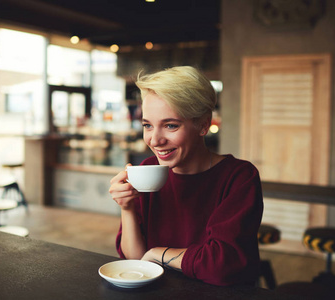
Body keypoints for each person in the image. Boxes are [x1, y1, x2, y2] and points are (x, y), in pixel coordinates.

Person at [109, 66, 263, 286]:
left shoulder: (239, 177)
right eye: (147, 125)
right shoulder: (146, 169)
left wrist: (158, 254)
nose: (154, 140)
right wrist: (127, 208)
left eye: (170, 125)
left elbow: (222, 264)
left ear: (203, 124)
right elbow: (136, 261)